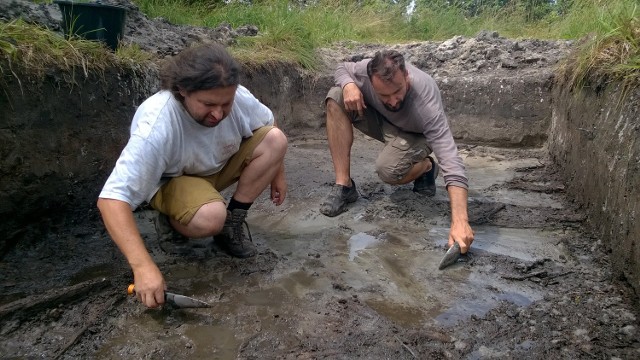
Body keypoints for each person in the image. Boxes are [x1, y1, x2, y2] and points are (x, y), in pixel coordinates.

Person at [97, 43, 288, 308]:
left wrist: (278, 172)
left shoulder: (236, 96)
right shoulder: (157, 124)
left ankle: (232, 224)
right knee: (211, 218)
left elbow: (268, 124)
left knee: (275, 140)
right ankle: (171, 220)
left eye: (226, 104)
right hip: (173, 180)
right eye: (208, 104)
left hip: (215, 168)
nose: (218, 114)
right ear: (182, 90)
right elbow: (111, 199)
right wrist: (143, 267)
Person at [320, 49, 473, 253]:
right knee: (336, 96)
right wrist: (348, 85)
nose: (392, 101)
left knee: (388, 170)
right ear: (372, 81)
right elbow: (342, 68)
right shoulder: (365, 70)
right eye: (384, 95)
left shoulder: (426, 100)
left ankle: (426, 167)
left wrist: (460, 221)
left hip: (417, 135)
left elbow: (451, 160)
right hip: (385, 123)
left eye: (398, 91)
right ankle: (344, 186)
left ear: (406, 76)